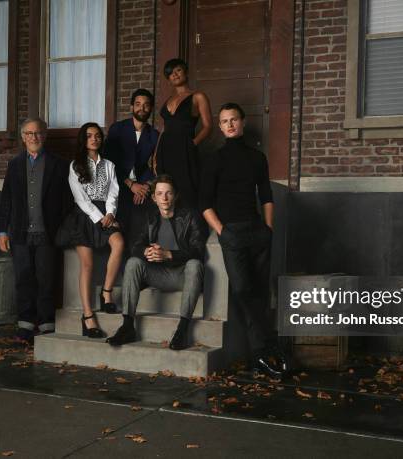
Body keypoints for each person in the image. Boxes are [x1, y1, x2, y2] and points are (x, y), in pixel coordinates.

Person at [200, 103, 287, 378]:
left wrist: (269, 229)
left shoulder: (257, 158)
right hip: (232, 233)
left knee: (259, 293)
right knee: (242, 289)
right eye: (224, 121)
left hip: (258, 232)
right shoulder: (214, 159)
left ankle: (258, 357)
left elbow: (267, 195)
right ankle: (268, 346)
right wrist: (222, 232)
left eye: (233, 119)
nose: (229, 124)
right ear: (220, 126)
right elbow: (204, 203)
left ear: (243, 122)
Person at [106, 174, 205, 351]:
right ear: (153, 197)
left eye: (168, 193)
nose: (164, 198)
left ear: (175, 195)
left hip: (181, 275)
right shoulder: (149, 217)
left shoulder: (190, 216)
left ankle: (182, 330)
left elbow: (197, 250)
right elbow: (135, 245)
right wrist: (145, 251)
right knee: (133, 263)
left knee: (195, 265)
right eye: (160, 194)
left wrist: (168, 254)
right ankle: (128, 326)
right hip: (156, 274)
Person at [0, 118, 71, 344]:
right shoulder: (14, 164)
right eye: (29, 133)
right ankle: (26, 325)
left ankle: (47, 323)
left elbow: (67, 202)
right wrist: (2, 231)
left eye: (38, 133)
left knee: (46, 279)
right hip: (19, 233)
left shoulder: (59, 165)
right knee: (23, 279)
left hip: (47, 233)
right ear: (23, 137)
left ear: (44, 136)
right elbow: (6, 200)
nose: (34, 137)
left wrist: (62, 229)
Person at [55, 123, 124, 337]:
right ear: (83, 140)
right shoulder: (76, 165)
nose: (94, 139)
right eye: (89, 136)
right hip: (83, 216)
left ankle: (106, 293)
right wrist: (99, 217)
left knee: (119, 243)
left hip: (106, 212)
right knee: (88, 263)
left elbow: (113, 191)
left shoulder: (109, 165)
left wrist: (110, 213)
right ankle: (87, 316)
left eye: (97, 135)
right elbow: (80, 199)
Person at [154, 58, 212, 210]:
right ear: (168, 78)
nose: (175, 74)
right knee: (166, 190)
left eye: (178, 70)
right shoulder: (168, 100)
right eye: (170, 73)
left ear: (185, 71)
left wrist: (192, 144)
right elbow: (164, 130)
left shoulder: (198, 96)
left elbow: (208, 127)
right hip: (165, 151)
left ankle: (191, 230)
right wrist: (155, 154)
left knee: (187, 191)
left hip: (185, 149)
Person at [103, 89, 159, 243]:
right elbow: (108, 162)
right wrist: (130, 184)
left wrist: (147, 185)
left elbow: (157, 165)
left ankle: (138, 257)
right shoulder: (118, 129)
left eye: (146, 105)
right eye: (138, 104)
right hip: (117, 183)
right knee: (121, 223)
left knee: (143, 221)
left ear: (151, 108)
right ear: (131, 107)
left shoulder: (154, 134)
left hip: (141, 185)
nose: (142, 108)